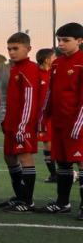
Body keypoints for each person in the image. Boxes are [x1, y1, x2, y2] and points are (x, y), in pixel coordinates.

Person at [37, 22, 83, 217]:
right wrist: (43, 115)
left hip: (77, 123)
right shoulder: (56, 63)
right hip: (59, 123)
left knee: (81, 163)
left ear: (80, 41)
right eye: (59, 40)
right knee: (62, 162)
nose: (61, 44)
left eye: (66, 40)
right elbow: (50, 92)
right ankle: (62, 203)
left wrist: (79, 124)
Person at [0, 33, 42, 213]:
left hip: (23, 124)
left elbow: (30, 100)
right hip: (11, 123)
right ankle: (20, 196)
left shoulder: (30, 69)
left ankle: (28, 201)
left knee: (25, 157)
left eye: (16, 48)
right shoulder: (15, 69)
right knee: (9, 157)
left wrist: (23, 125)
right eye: (9, 49)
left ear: (28, 49)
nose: (11, 52)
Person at [36, 48, 57, 183]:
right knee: (47, 144)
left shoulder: (55, 73)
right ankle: (54, 174)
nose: (56, 59)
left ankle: (70, 173)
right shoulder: (35, 74)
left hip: (59, 114)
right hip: (43, 116)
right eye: (54, 57)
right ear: (47, 59)